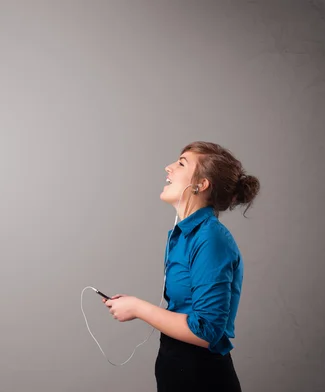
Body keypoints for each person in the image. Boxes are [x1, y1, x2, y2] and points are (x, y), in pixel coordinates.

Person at [103, 141, 260, 392]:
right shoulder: (185, 235)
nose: (169, 168)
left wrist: (137, 307)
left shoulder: (210, 239)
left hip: (201, 377)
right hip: (177, 370)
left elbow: (206, 330)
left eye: (181, 163)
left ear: (201, 184)